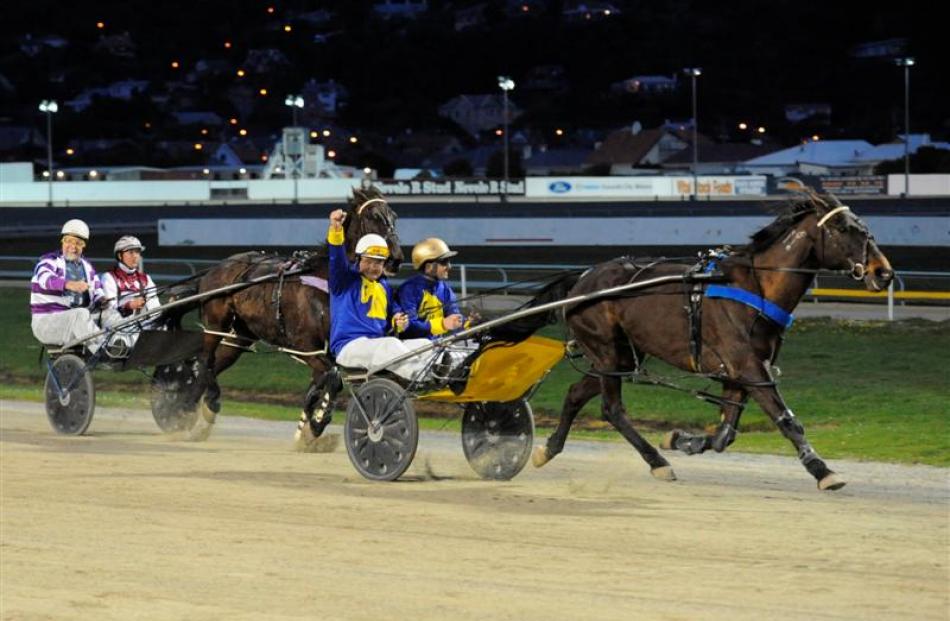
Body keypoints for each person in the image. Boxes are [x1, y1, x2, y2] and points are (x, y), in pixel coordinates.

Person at [326, 209, 437, 381]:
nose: (373, 267)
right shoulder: (343, 280)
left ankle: (443, 371)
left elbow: (392, 318)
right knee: (390, 344)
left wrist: (398, 321)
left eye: (378, 262)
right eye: (368, 261)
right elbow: (336, 260)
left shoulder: (384, 287)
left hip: (376, 347)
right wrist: (336, 229)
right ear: (358, 259)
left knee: (425, 344)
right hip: (349, 347)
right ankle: (425, 376)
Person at [30, 219, 105, 352]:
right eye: (68, 241)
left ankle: (120, 347)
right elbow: (45, 279)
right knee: (80, 314)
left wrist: (102, 301)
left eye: (78, 243)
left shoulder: (87, 267)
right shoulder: (49, 261)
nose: (73, 246)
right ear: (62, 241)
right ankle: (102, 351)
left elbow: (97, 288)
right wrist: (69, 285)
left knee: (108, 313)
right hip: (47, 322)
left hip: (74, 321)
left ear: (84, 246)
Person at [100, 235, 161, 324]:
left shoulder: (146, 279)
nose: (135, 256)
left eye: (137, 252)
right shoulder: (109, 277)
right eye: (131, 252)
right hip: (116, 328)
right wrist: (128, 306)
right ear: (120, 255)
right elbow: (109, 313)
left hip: (142, 327)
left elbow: (155, 309)